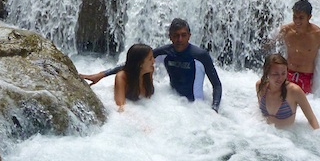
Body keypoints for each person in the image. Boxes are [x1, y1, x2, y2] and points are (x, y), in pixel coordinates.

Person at [80, 18, 222, 112]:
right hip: (172, 102)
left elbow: (216, 85)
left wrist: (214, 108)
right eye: (176, 35)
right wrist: (103, 74)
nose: (180, 39)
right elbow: (135, 62)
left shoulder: (200, 55)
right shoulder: (165, 52)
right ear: (170, 36)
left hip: (196, 107)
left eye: (183, 35)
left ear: (189, 36)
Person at [274, 0, 320, 94]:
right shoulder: (286, 30)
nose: (297, 21)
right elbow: (271, 44)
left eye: (301, 18)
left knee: (303, 105)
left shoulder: (319, 35)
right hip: (287, 74)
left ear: (309, 17)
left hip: (306, 77)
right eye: (295, 17)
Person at [256, 54, 319, 129]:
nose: (280, 78)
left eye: (283, 73)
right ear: (266, 72)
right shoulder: (260, 86)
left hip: (287, 137)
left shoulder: (294, 91)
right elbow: (260, 112)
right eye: (275, 74)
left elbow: (311, 119)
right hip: (264, 134)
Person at [112, 43, 155, 112]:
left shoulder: (149, 72)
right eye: (150, 59)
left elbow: (149, 98)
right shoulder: (122, 77)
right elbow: (120, 107)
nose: (154, 61)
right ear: (140, 63)